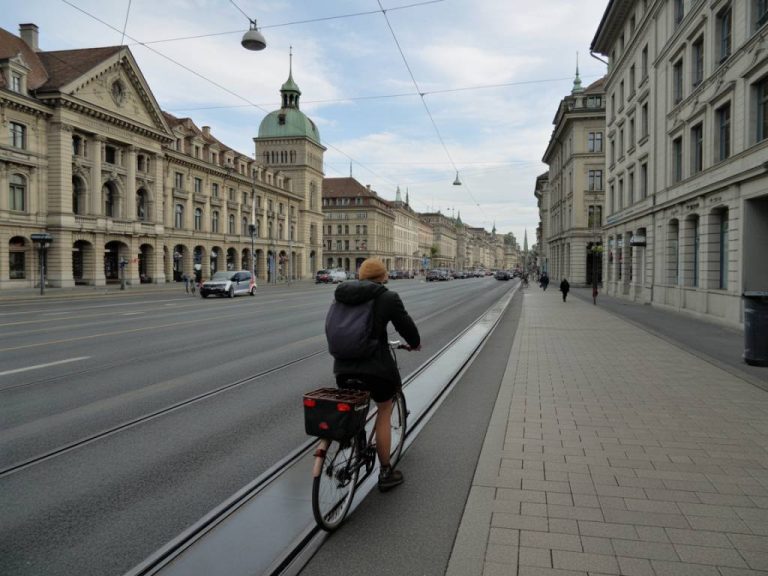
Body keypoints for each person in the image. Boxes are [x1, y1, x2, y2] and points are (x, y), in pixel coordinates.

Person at [330, 257, 421, 492]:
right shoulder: (386, 297)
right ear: (383, 276)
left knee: (355, 409)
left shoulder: (340, 295)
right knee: (383, 409)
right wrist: (414, 343)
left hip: (343, 367)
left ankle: (355, 448)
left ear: (360, 276)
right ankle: (386, 471)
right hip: (375, 368)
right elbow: (405, 326)